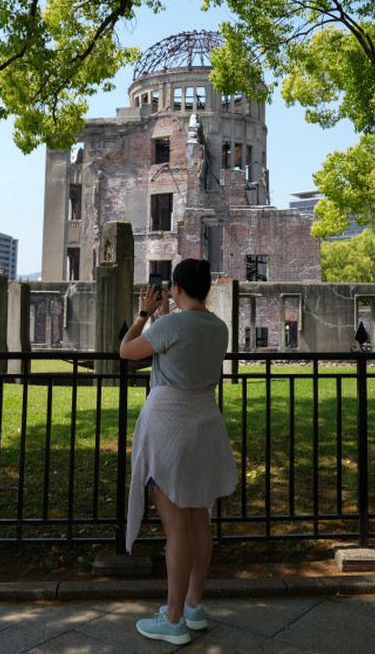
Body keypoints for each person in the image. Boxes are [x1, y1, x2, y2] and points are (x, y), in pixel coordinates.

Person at [119, 258, 237, 646]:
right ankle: (193, 606)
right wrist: (164, 315)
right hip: (204, 422)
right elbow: (179, 344)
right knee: (198, 517)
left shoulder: (169, 324)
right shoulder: (218, 328)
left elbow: (127, 351)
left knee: (175, 527)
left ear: (177, 288)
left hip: (168, 426)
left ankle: (172, 620)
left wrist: (143, 314)